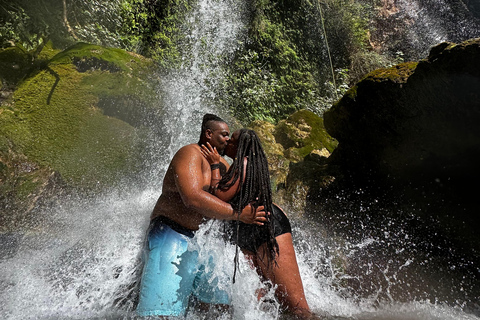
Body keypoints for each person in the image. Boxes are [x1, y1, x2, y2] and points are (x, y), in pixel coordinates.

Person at [136, 115, 268, 318]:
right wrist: (239, 215)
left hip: (206, 242)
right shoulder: (189, 154)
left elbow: (235, 192)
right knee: (161, 314)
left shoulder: (222, 164)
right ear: (209, 134)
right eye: (224, 135)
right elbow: (193, 198)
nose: (228, 140)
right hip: (172, 234)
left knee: (219, 312)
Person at [200, 128, 319, 319]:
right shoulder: (248, 165)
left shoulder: (243, 164)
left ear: (240, 147)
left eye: (232, 140)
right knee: (263, 305)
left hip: (265, 227)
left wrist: (214, 165)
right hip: (247, 229)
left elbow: (218, 197)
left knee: (296, 306)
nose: (228, 141)